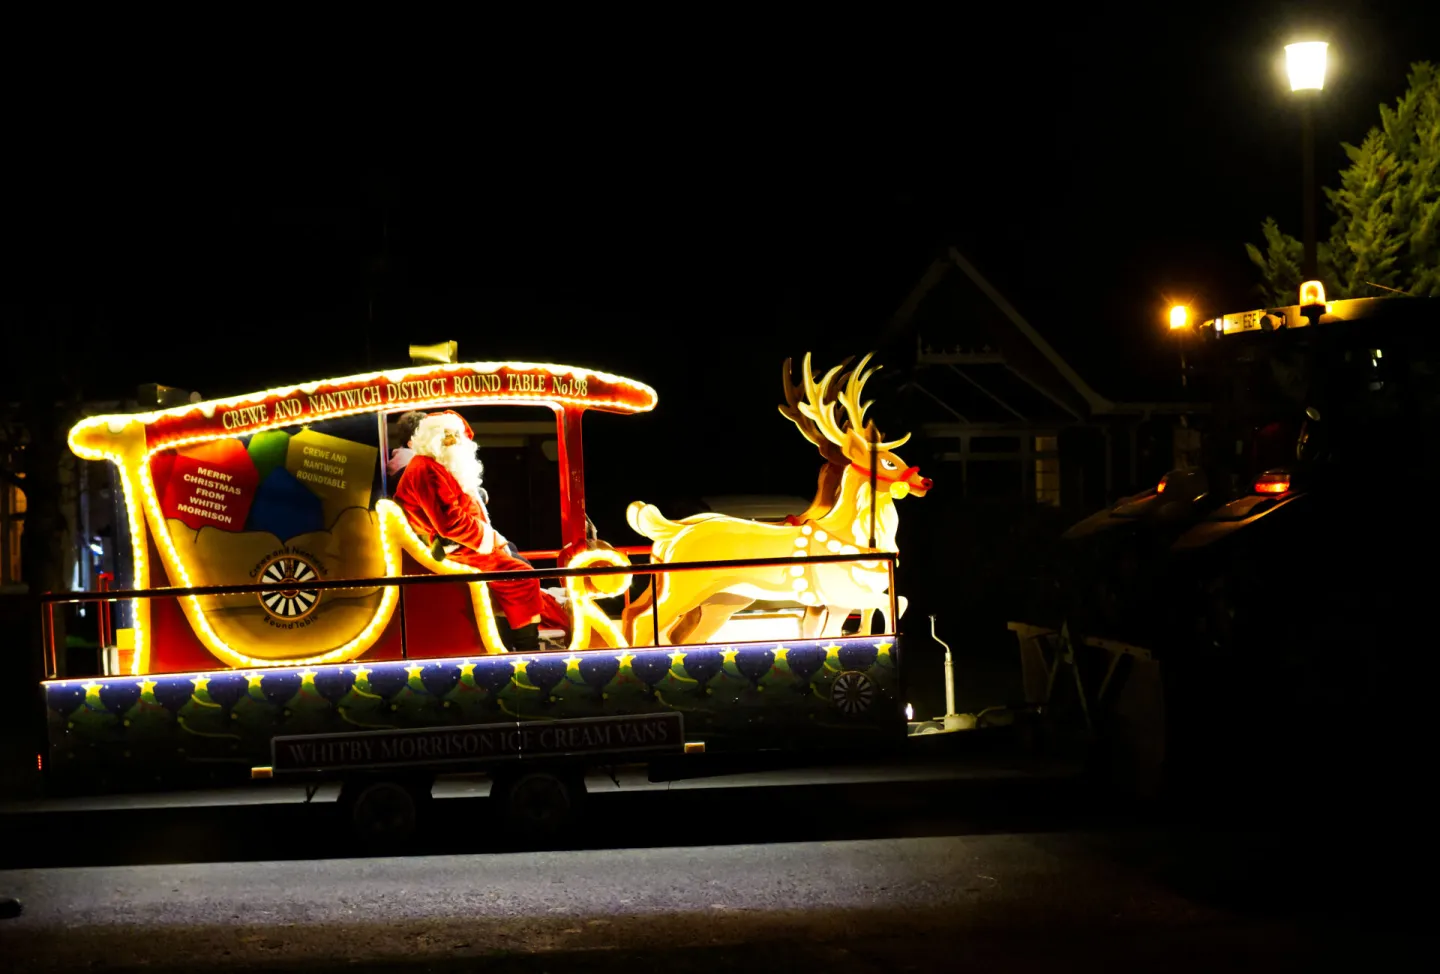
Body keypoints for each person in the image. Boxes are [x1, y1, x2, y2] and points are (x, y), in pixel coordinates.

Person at [393, 411, 570, 650]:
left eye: (456, 436)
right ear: (431, 438)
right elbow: (450, 523)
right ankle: (523, 645)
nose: (453, 442)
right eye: (448, 436)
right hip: (450, 546)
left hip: (462, 542)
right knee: (521, 575)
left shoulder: (437, 465)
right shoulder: (425, 468)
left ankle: (512, 638)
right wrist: (491, 538)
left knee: (517, 561)